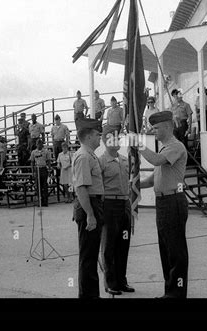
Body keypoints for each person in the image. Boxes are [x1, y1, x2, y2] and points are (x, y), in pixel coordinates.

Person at [139, 111, 188, 298]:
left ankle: (176, 293)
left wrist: (139, 145)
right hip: (163, 202)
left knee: (175, 250)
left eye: (157, 128)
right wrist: (136, 184)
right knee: (166, 248)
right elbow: (154, 178)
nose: (154, 131)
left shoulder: (175, 147)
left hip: (173, 201)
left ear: (168, 127)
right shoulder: (164, 148)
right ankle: (170, 291)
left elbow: (156, 161)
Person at [99, 125, 134, 296]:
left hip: (124, 206)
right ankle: (110, 282)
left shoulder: (125, 159)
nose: (119, 140)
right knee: (109, 246)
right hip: (109, 206)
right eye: (115, 137)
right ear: (106, 140)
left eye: (119, 137)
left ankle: (122, 280)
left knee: (123, 245)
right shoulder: (101, 162)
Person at [72, 118, 103, 298]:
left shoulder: (89, 155)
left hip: (93, 204)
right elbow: (81, 188)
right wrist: (90, 215)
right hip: (88, 206)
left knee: (91, 256)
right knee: (88, 258)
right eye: (98, 135)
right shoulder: (84, 156)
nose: (100, 138)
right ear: (90, 136)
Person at [30, 139, 50, 206]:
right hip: (37, 168)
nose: (39, 145)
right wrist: (33, 171)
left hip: (43, 168)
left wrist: (49, 170)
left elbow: (48, 161)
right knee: (38, 186)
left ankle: (45, 201)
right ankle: (40, 201)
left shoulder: (46, 151)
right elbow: (32, 162)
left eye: (40, 144)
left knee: (45, 185)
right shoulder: (33, 152)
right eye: (38, 144)